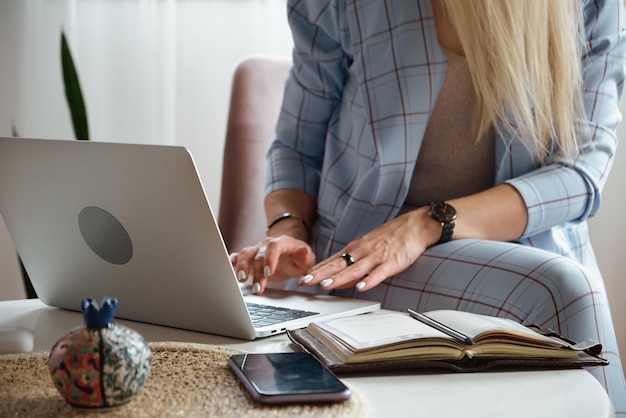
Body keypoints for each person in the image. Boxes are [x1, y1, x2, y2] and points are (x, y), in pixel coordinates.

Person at [230, 0, 626, 412]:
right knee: (564, 289)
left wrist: (427, 223)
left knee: (563, 286)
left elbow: (580, 175)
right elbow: (297, 147)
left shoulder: (592, 6)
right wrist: (286, 231)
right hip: (363, 261)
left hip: (521, 250)